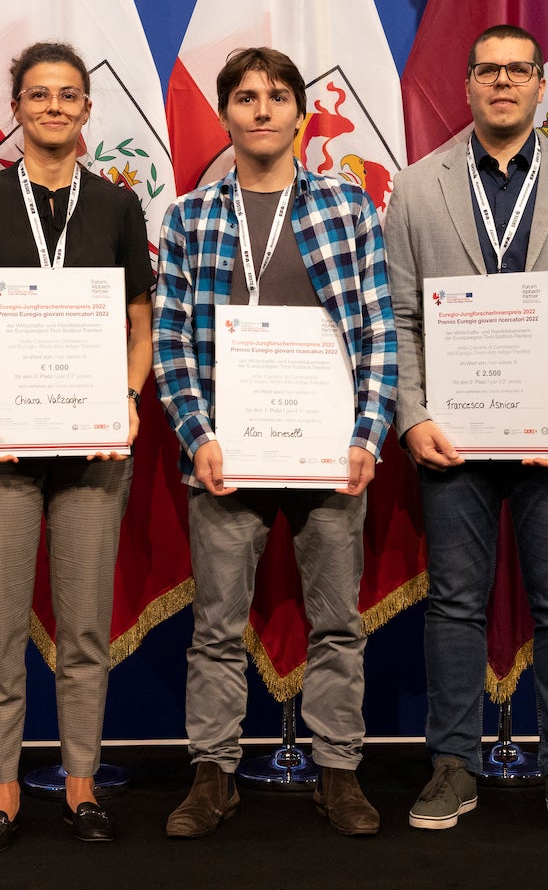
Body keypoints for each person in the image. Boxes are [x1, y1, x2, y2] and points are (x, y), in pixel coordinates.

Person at [383, 24, 548, 836]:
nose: (502, 83)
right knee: (454, 606)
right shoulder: (417, 188)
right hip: (451, 440)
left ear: (539, 85)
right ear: (466, 85)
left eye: (517, 70)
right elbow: (398, 320)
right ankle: (452, 765)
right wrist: (412, 416)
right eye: (487, 70)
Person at [153, 47, 396, 838]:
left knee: (337, 623)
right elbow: (171, 343)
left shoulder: (346, 204)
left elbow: (377, 327)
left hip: (329, 455)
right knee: (217, 628)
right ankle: (213, 776)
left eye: (278, 96)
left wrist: (368, 434)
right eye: (247, 97)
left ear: (300, 114)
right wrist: (196, 436)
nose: (262, 110)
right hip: (228, 454)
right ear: (225, 113)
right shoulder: (190, 216)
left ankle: (338, 775)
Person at [0, 41, 154, 850]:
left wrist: (128, 398)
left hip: (92, 448)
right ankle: (2, 788)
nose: (53, 107)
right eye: (37, 95)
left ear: (88, 111)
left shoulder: (119, 207)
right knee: (1, 630)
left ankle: (81, 784)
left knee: (86, 627)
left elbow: (140, 324)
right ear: (16, 109)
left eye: (67, 96)